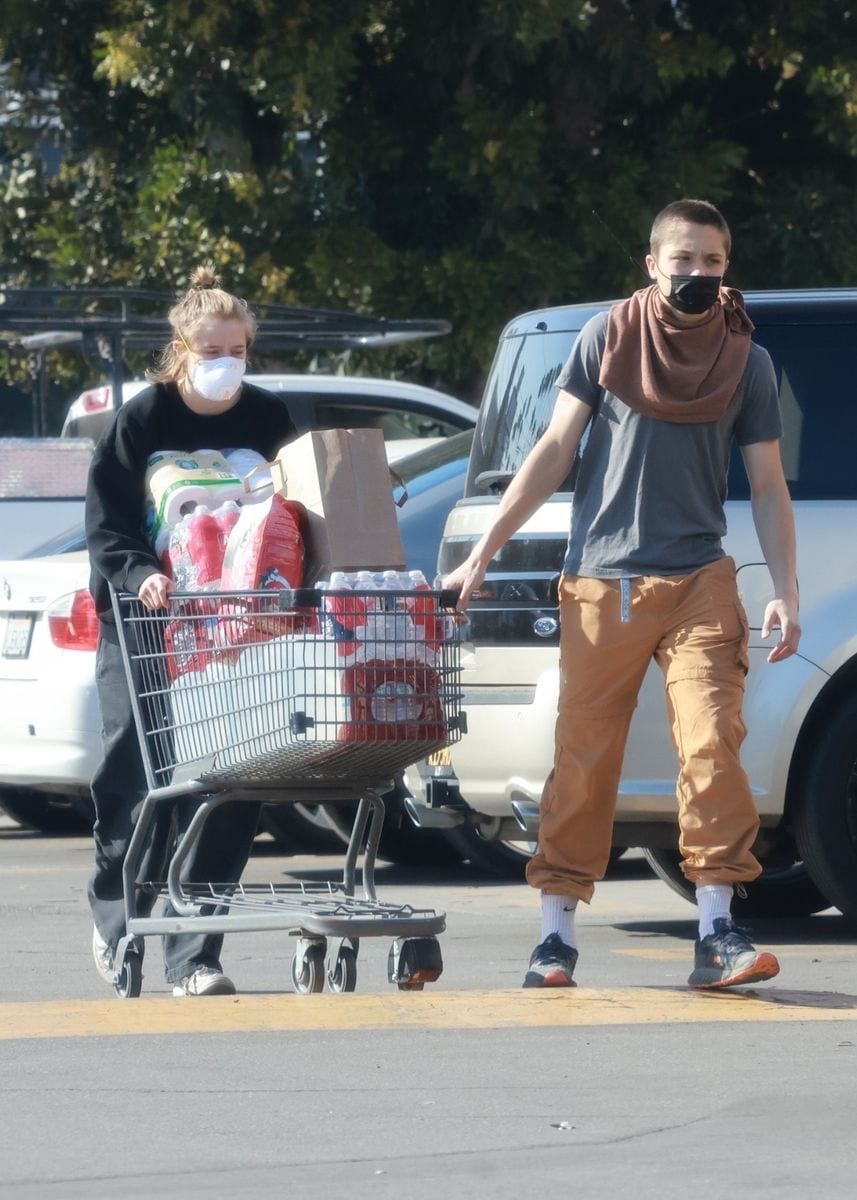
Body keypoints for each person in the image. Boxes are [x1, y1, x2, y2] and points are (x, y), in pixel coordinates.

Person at [445, 199, 801, 991]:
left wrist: (785, 590)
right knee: (584, 757)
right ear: (651, 264)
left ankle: (716, 931)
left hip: (699, 578)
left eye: (711, 262)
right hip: (602, 584)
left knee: (712, 746)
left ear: (725, 266)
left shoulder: (746, 359)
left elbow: (769, 486)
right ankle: (555, 935)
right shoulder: (605, 338)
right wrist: (481, 555)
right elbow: (553, 449)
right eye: (683, 261)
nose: (697, 276)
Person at [86, 265, 297, 996]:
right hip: (147, 624)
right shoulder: (142, 421)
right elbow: (106, 526)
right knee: (137, 779)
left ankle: (195, 954)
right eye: (211, 351)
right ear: (181, 352)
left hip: (233, 631)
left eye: (236, 350)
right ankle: (118, 911)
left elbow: (292, 517)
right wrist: (140, 573)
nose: (225, 365)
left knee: (228, 784)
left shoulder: (268, 419)